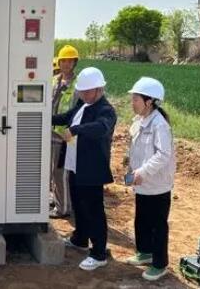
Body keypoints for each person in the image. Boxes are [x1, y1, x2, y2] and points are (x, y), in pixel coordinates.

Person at [53, 67, 117, 271]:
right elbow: (66, 117)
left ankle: (99, 253)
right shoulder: (83, 104)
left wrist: (76, 130)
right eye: (81, 91)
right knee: (79, 206)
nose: (83, 95)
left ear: (99, 90)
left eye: (87, 92)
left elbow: (101, 128)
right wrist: (43, 116)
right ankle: (80, 239)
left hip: (91, 170)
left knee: (94, 211)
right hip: (74, 165)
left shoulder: (106, 110)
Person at [124, 77, 175, 282]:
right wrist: (130, 166)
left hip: (157, 185)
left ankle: (159, 263)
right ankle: (145, 252)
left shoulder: (159, 125)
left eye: (136, 99)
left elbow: (163, 155)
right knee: (142, 220)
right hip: (142, 183)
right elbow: (136, 148)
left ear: (149, 101)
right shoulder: (140, 121)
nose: (132, 102)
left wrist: (142, 172)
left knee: (157, 224)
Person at [50, 45, 80, 219]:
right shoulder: (54, 80)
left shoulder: (77, 85)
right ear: (59, 62)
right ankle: (57, 200)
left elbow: (76, 111)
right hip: (50, 131)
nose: (67, 64)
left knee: (60, 171)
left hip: (65, 134)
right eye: (64, 61)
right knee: (51, 170)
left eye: (70, 61)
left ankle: (63, 208)